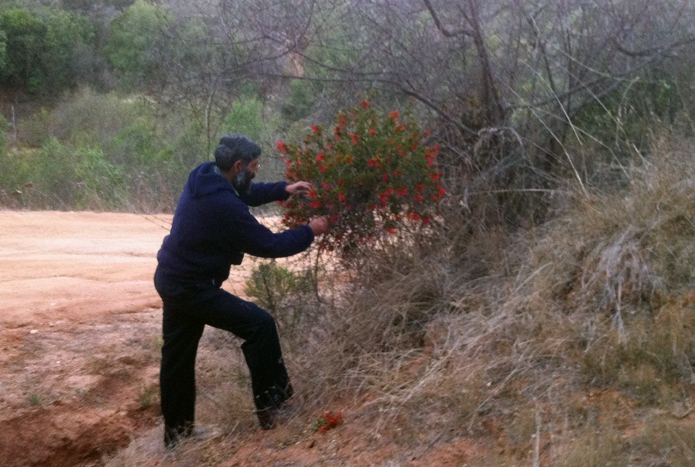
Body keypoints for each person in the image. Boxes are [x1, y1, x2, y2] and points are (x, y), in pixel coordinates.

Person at [154, 134, 328, 447]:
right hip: (191, 287)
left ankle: (177, 437)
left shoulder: (204, 175)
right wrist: (309, 231)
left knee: (177, 357)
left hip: (172, 277)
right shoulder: (223, 206)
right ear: (238, 166)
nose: (257, 170)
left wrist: (282, 190)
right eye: (255, 166)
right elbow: (269, 244)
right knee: (259, 324)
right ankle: (271, 409)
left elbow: (244, 191)